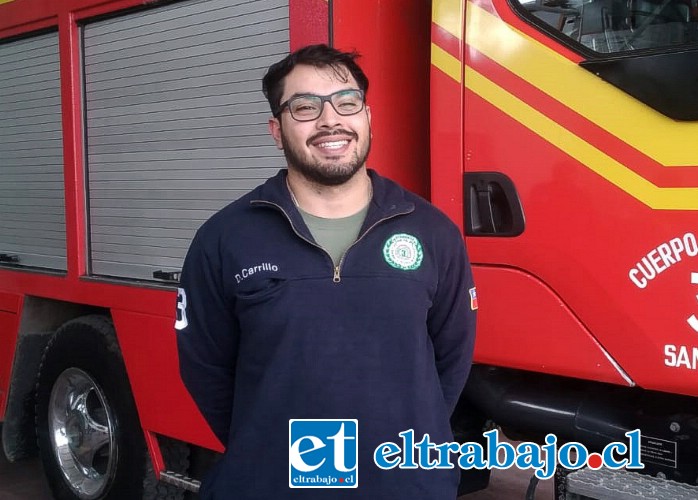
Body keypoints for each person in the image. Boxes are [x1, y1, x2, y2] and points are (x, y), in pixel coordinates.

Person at [175, 44, 477, 499]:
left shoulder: (433, 233)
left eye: (346, 102)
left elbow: (450, 363)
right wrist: (266, 444)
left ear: (367, 117)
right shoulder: (225, 238)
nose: (330, 120)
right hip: (272, 484)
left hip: (406, 483)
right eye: (305, 107)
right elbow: (206, 366)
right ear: (277, 130)